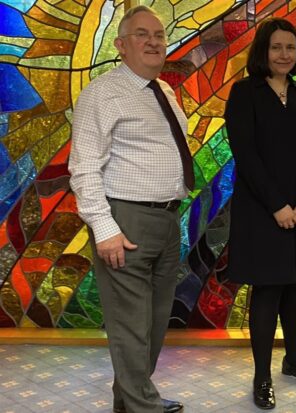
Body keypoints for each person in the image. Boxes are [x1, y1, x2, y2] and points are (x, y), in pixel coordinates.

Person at [69, 5, 189, 413]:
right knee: (130, 326)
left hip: (167, 219)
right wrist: (104, 228)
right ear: (121, 45)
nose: (153, 41)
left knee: (154, 325)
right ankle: (142, 406)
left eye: (158, 34)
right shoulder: (101, 94)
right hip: (126, 220)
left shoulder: (166, 91)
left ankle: (130, 398)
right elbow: (83, 167)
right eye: (142, 34)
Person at [224, 17, 296, 410]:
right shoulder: (243, 93)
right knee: (268, 289)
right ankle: (262, 375)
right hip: (260, 209)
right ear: (262, 52)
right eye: (276, 47)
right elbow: (246, 155)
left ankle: (293, 359)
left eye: (290, 48)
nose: (284, 54)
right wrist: (278, 206)